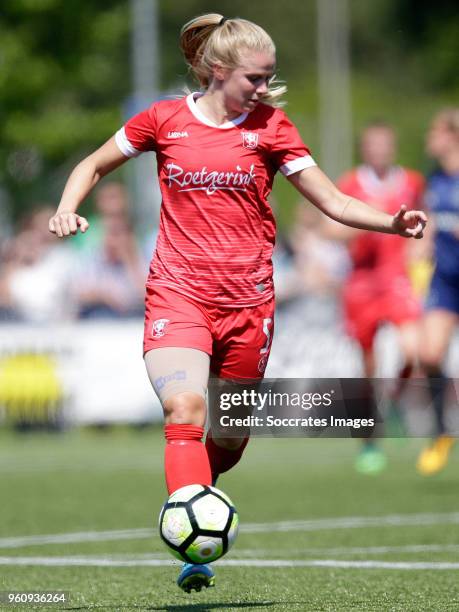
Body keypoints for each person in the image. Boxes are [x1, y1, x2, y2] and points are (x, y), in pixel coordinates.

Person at [48, 14, 426, 593]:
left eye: (269, 77)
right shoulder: (163, 120)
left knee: (228, 434)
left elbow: (331, 201)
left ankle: (204, 490)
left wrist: (391, 223)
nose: (263, 88)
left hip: (249, 305)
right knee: (184, 409)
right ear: (218, 71)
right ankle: (193, 539)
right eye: (254, 77)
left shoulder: (272, 128)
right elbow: (93, 164)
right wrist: (67, 206)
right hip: (178, 293)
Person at [330, 123, 425, 474]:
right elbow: (331, 227)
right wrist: (367, 220)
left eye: (385, 144)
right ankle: (369, 439)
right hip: (361, 283)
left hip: (396, 279)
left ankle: (396, 400)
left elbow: (423, 221)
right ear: (364, 149)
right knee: (368, 368)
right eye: (373, 145)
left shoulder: (412, 181)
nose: (380, 150)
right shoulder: (351, 183)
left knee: (415, 351)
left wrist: (422, 251)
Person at [416, 108, 459, 475]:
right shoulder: (436, 180)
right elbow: (432, 224)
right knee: (428, 354)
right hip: (445, 281)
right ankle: (442, 429)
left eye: (435, 130)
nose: (430, 138)